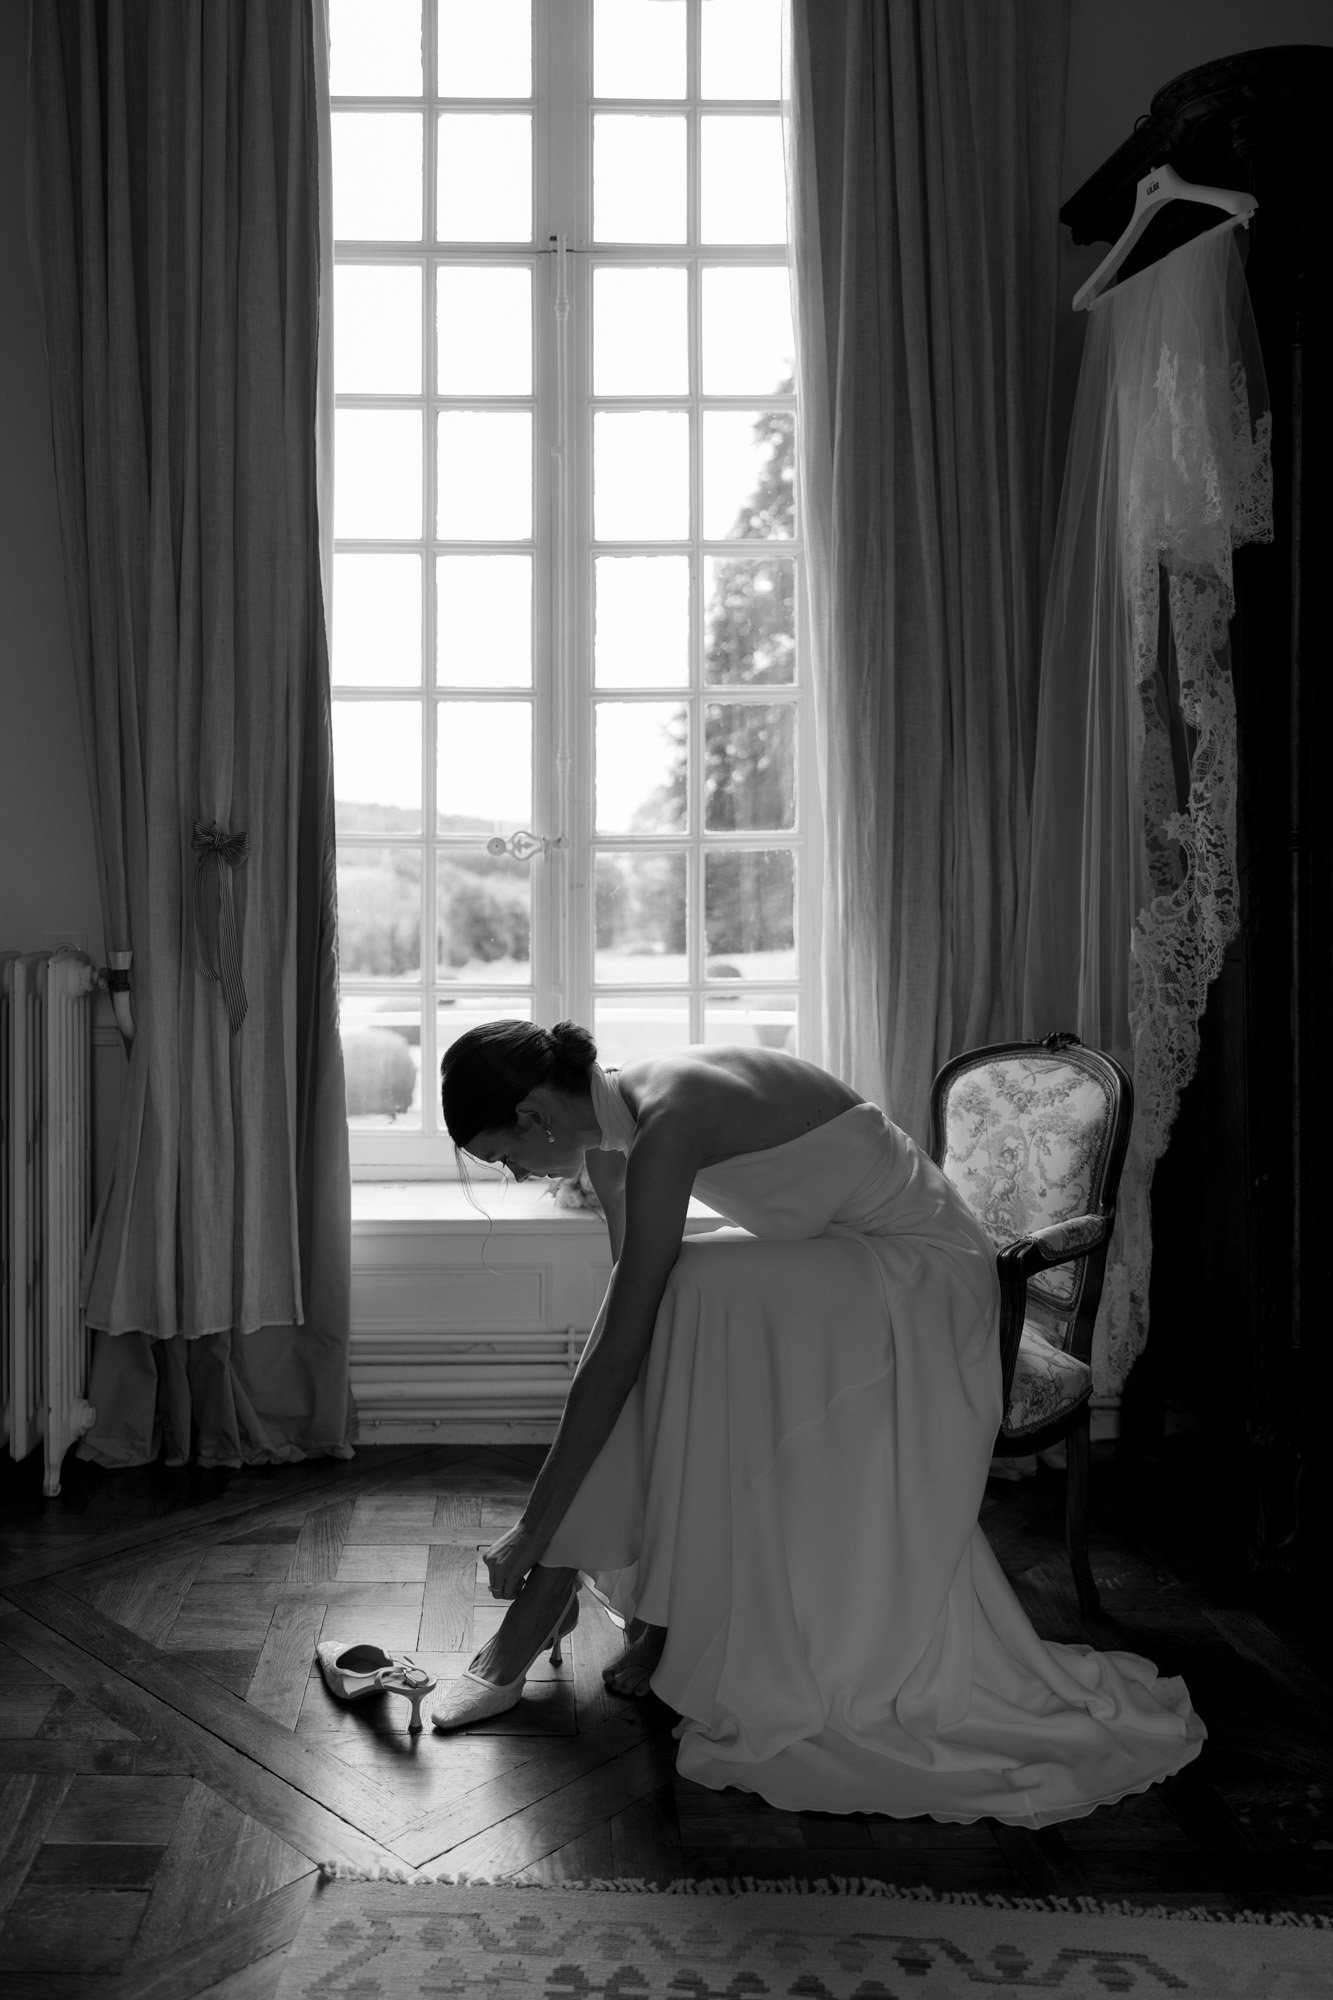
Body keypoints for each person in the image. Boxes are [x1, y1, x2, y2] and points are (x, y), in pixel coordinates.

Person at [428, 1019, 1204, 1826]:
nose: (517, 1174)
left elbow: (620, 1346)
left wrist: (530, 1523)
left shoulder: (670, 1119)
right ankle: (623, 1602)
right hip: (843, 1263)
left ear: (532, 1115)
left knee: (691, 1297)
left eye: (503, 1158)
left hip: (921, 1278)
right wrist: (612, 1197)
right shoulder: (628, 1115)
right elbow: (632, 1314)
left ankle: (556, 1592)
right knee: (685, 1305)